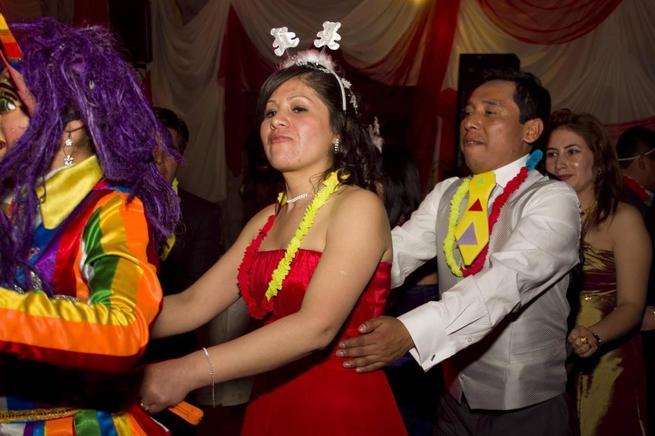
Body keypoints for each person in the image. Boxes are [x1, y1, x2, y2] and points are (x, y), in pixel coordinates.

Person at [139, 50, 407, 435]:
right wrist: (104, 322)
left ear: (338, 132)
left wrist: (188, 370)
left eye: (298, 108)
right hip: (270, 400)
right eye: (270, 112)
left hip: (338, 408)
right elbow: (192, 304)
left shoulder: (358, 206)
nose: (277, 119)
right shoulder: (266, 220)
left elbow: (316, 326)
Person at [338, 69, 581, 435]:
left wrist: (411, 332)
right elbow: (394, 253)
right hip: (452, 399)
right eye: (468, 112)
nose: (470, 122)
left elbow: (505, 282)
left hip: (524, 407)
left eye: (490, 112)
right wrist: (330, 279)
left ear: (531, 130)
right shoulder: (448, 192)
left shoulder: (553, 199)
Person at [0, 17, 179, 434]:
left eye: (7, 103)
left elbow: (123, 328)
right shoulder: (13, 200)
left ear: (72, 121)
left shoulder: (113, 210)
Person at [545, 110, 650, 436]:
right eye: (552, 154)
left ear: (600, 162)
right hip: (548, 361)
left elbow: (632, 306)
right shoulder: (540, 221)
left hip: (607, 362)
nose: (560, 163)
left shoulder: (623, 219)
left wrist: (594, 335)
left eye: (572, 152)